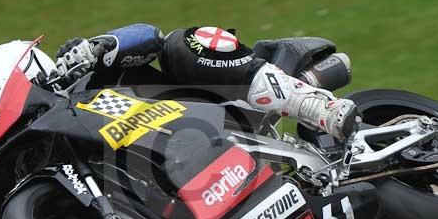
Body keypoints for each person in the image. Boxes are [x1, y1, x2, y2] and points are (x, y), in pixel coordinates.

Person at [52, 24, 360, 140]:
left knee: (180, 44)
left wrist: (97, 47)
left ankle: (313, 105)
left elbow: (150, 37)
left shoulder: (75, 78)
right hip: (174, 171)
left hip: (213, 111)